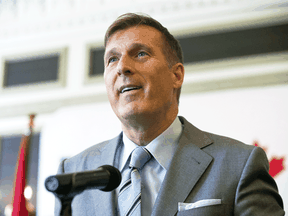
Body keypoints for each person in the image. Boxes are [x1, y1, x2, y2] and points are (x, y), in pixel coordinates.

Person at [54, 13, 285, 215]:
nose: (122, 66)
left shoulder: (239, 164)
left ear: (176, 76)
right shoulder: (74, 172)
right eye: (112, 59)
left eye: (141, 54)